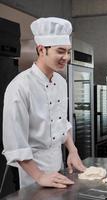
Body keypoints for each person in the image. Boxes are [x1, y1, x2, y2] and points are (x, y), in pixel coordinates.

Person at [2, 17, 86, 189]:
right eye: (61, 51)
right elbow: (15, 143)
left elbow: (62, 122)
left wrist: (73, 151)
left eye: (68, 52)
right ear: (41, 49)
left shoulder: (61, 83)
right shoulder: (20, 86)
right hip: (31, 172)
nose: (66, 57)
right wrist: (39, 176)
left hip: (58, 166)